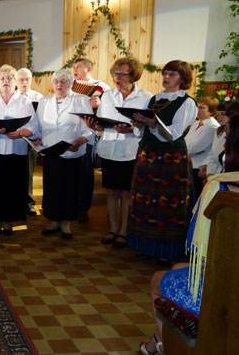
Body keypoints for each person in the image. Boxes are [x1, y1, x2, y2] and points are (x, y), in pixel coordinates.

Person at [138, 119, 239, 355]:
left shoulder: (222, 191)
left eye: (227, 139)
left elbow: (203, 253)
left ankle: (163, 343)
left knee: (157, 280)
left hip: (226, 290)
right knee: (177, 267)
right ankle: (160, 341)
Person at [127, 60, 198, 263]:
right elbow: (144, 130)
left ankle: (168, 252)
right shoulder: (155, 99)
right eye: (165, 73)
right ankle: (147, 246)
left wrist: (152, 123)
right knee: (146, 202)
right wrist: (139, 124)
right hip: (148, 154)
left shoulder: (186, 102)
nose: (167, 77)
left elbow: (174, 134)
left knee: (168, 205)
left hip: (171, 159)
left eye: (173, 74)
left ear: (183, 79)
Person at [91, 57, 153, 249]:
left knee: (126, 193)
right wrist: (95, 123)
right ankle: (113, 228)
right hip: (109, 148)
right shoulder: (108, 96)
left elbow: (150, 127)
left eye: (121, 74)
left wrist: (133, 129)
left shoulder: (146, 97)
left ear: (133, 75)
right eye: (115, 74)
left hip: (130, 150)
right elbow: (102, 120)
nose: (117, 77)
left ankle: (124, 231)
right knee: (111, 191)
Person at [0, 65, 38, 236]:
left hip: (15, 148)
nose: (6, 81)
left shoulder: (24, 101)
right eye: (2, 78)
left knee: (12, 186)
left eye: (9, 78)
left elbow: (33, 125)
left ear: (15, 81)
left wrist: (19, 133)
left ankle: (9, 220)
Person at [36, 69, 95, 239]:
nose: (59, 85)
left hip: (71, 152)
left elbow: (88, 128)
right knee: (52, 188)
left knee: (69, 188)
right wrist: (37, 138)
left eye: (63, 81)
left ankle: (66, 223)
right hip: (50, 152)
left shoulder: (81, 100)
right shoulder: (44, 101)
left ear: (70, 83)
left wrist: (79, 142)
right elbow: (38, 126)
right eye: (56, 81)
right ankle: (54, 220)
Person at [72, 58, 111, 222]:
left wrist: (99, 105)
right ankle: (70, 205)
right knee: (71, 172)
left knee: (85, 172)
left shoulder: (101, 87)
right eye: (73, 67)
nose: (74, 70)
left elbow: (109, 110)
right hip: (71, 132)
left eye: (78, 67)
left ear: (88, 69)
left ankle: (82, 208)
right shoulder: (70, 85)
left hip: (89, 133)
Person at [16, 68, 44, 216]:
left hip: (31, 140)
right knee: (15, 172)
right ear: (16, 81)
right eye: (21, 79)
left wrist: (39, 136)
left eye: (27, 79)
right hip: (15, 140)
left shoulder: (38, 97)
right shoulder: (12, 97)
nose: (24, 82)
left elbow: (42, 120)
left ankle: (29, 203)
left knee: (28, 172)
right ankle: (16, 202)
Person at [184, 96, 220, 198]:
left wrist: (188, 150)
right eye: (197, 107)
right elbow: (185, 142)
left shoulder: (212, 126)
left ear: (211, 112)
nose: (197, 110)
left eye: (202, 108)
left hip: (199, 168)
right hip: (190, 164)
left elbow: (193, 148)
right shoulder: (196, 123)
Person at [199, 101, 239, 178]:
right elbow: (214, 154)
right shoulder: (220, 131)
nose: (219, 117)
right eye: (218, 114)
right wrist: (210, 174)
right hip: (218, 176)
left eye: (223, 114)